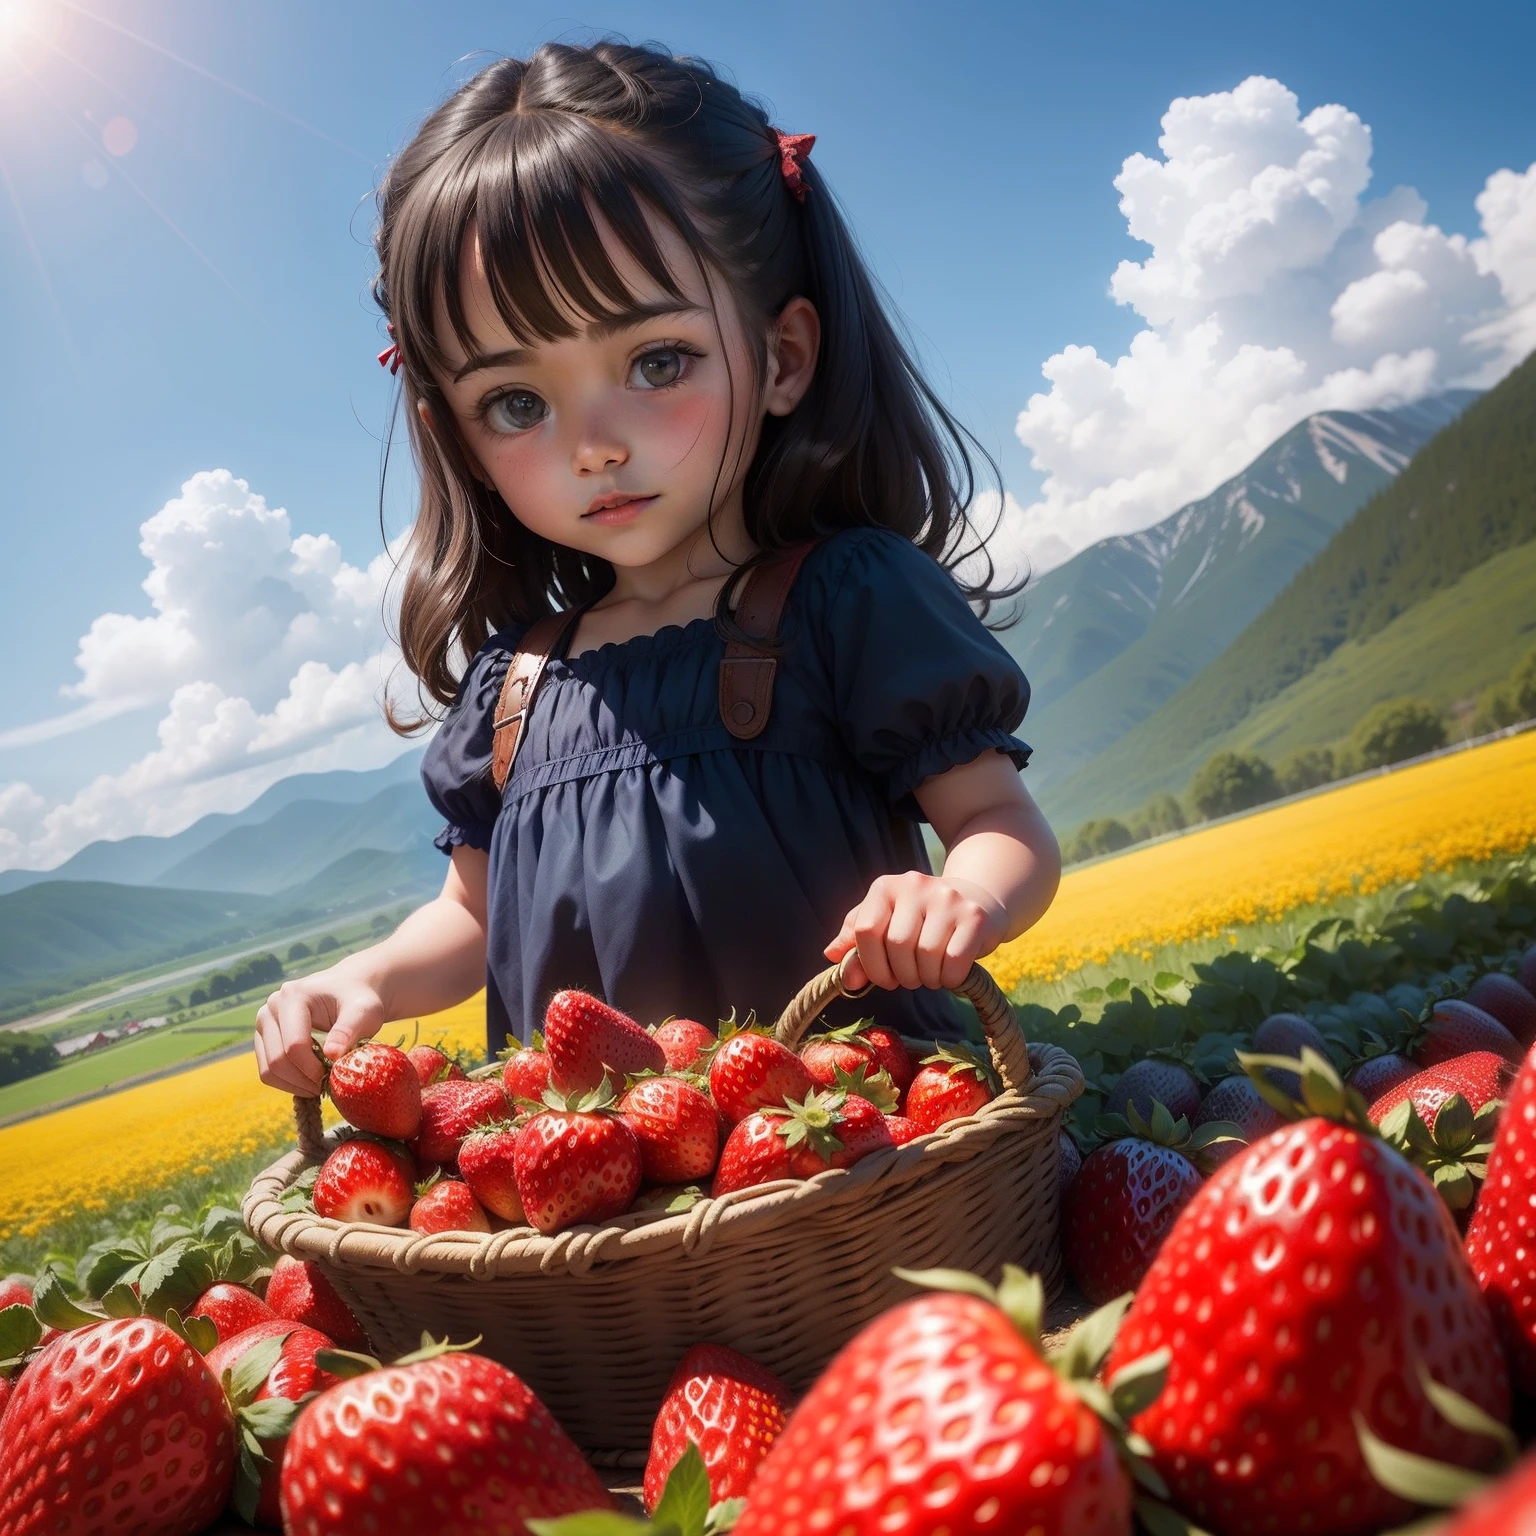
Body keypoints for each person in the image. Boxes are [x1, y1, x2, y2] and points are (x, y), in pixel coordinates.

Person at [254, 40, 1060, 1098]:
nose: (592, 444)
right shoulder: (515, 691)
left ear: (782, 358)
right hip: (608, 1232)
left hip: (861, 1161)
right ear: (454, 428)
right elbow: (468, 918)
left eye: (656, 362)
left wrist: (961, 900)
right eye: (515, 403)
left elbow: (1000, 824)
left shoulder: (846, 599)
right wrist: (361, 980)